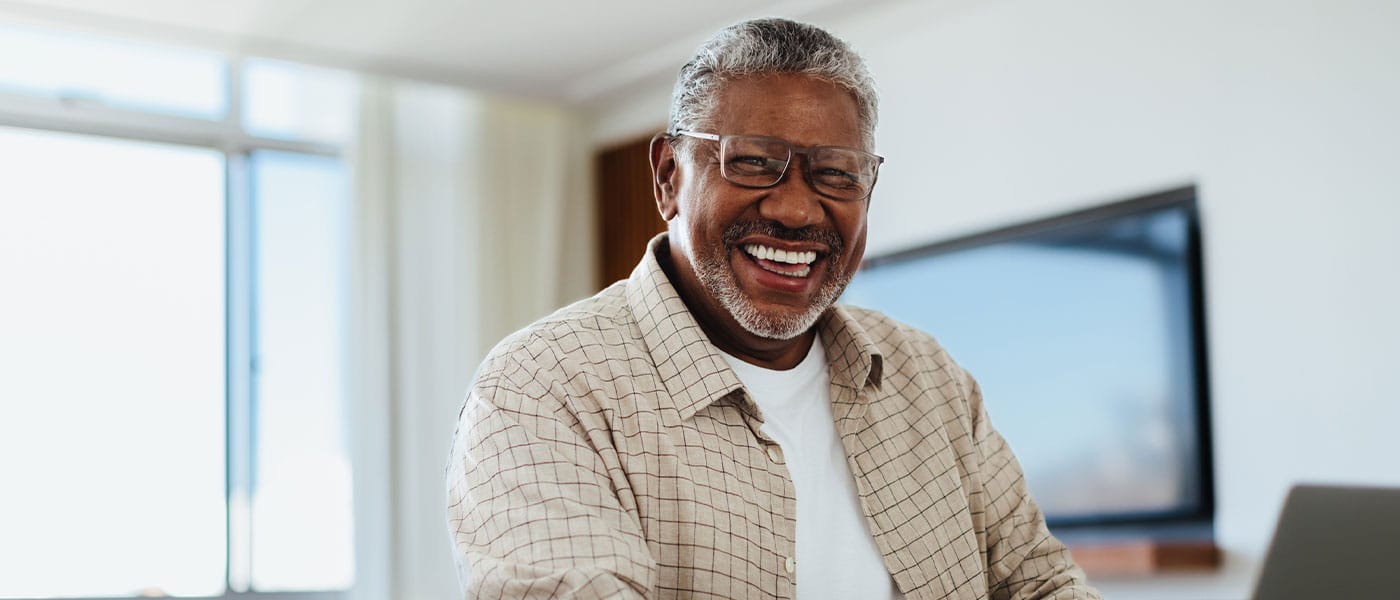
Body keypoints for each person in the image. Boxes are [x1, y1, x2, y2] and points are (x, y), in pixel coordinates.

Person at [447, 17, 1101, 600]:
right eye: (755, 163)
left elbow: (1039, 582)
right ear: (669, 177)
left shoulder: (928, 378)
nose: (794, 209)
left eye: (837, 174)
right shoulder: (541, 387)